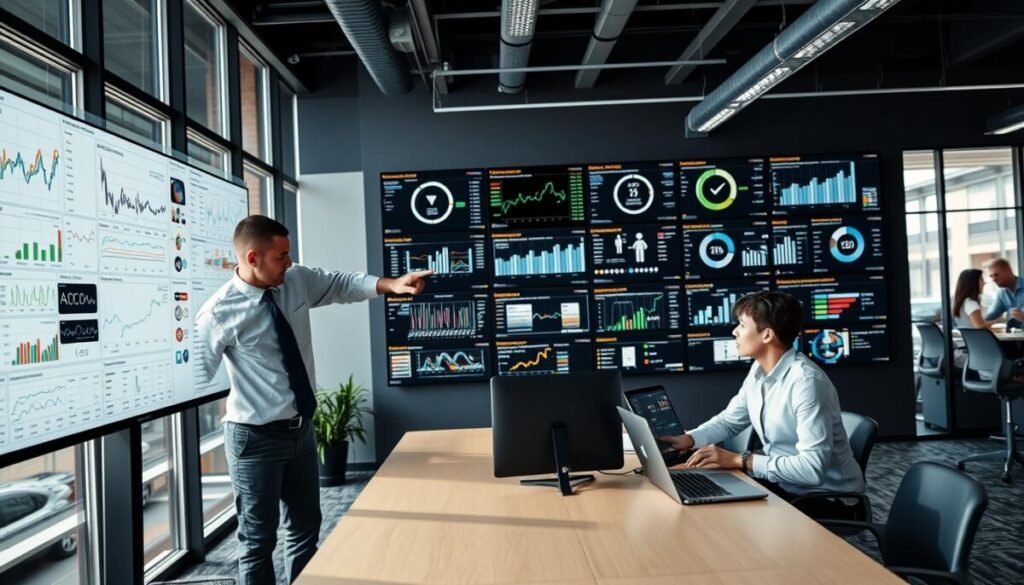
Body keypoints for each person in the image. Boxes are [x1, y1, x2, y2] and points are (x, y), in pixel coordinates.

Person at [195, 215, 432, 585]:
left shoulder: (296, 280)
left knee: (305, 531)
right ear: (253, 257)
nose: (289, 262)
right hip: (254, 439)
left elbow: (341, 284)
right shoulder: (218, 313)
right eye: (282, 256)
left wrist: (392, 285)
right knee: (258, 542)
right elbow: (195, 375)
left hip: (301, 431)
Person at [657, 291, 864, 516]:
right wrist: (688, 439)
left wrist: (740, 460)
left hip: (826, 499)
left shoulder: (806, 383)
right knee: (699, 495)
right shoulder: (759, 370)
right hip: (785, 485)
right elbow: (729, 422)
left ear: (766, 335)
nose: (734, 331)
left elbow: (812, 470)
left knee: (718, 515)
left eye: (742, 325)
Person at [983, 257, 1024, 330]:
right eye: (991, 276)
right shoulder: (1002, 293)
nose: (993, 279)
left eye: (996, 275)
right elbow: (990, 316)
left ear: (1008, 270)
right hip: (1016, 337)